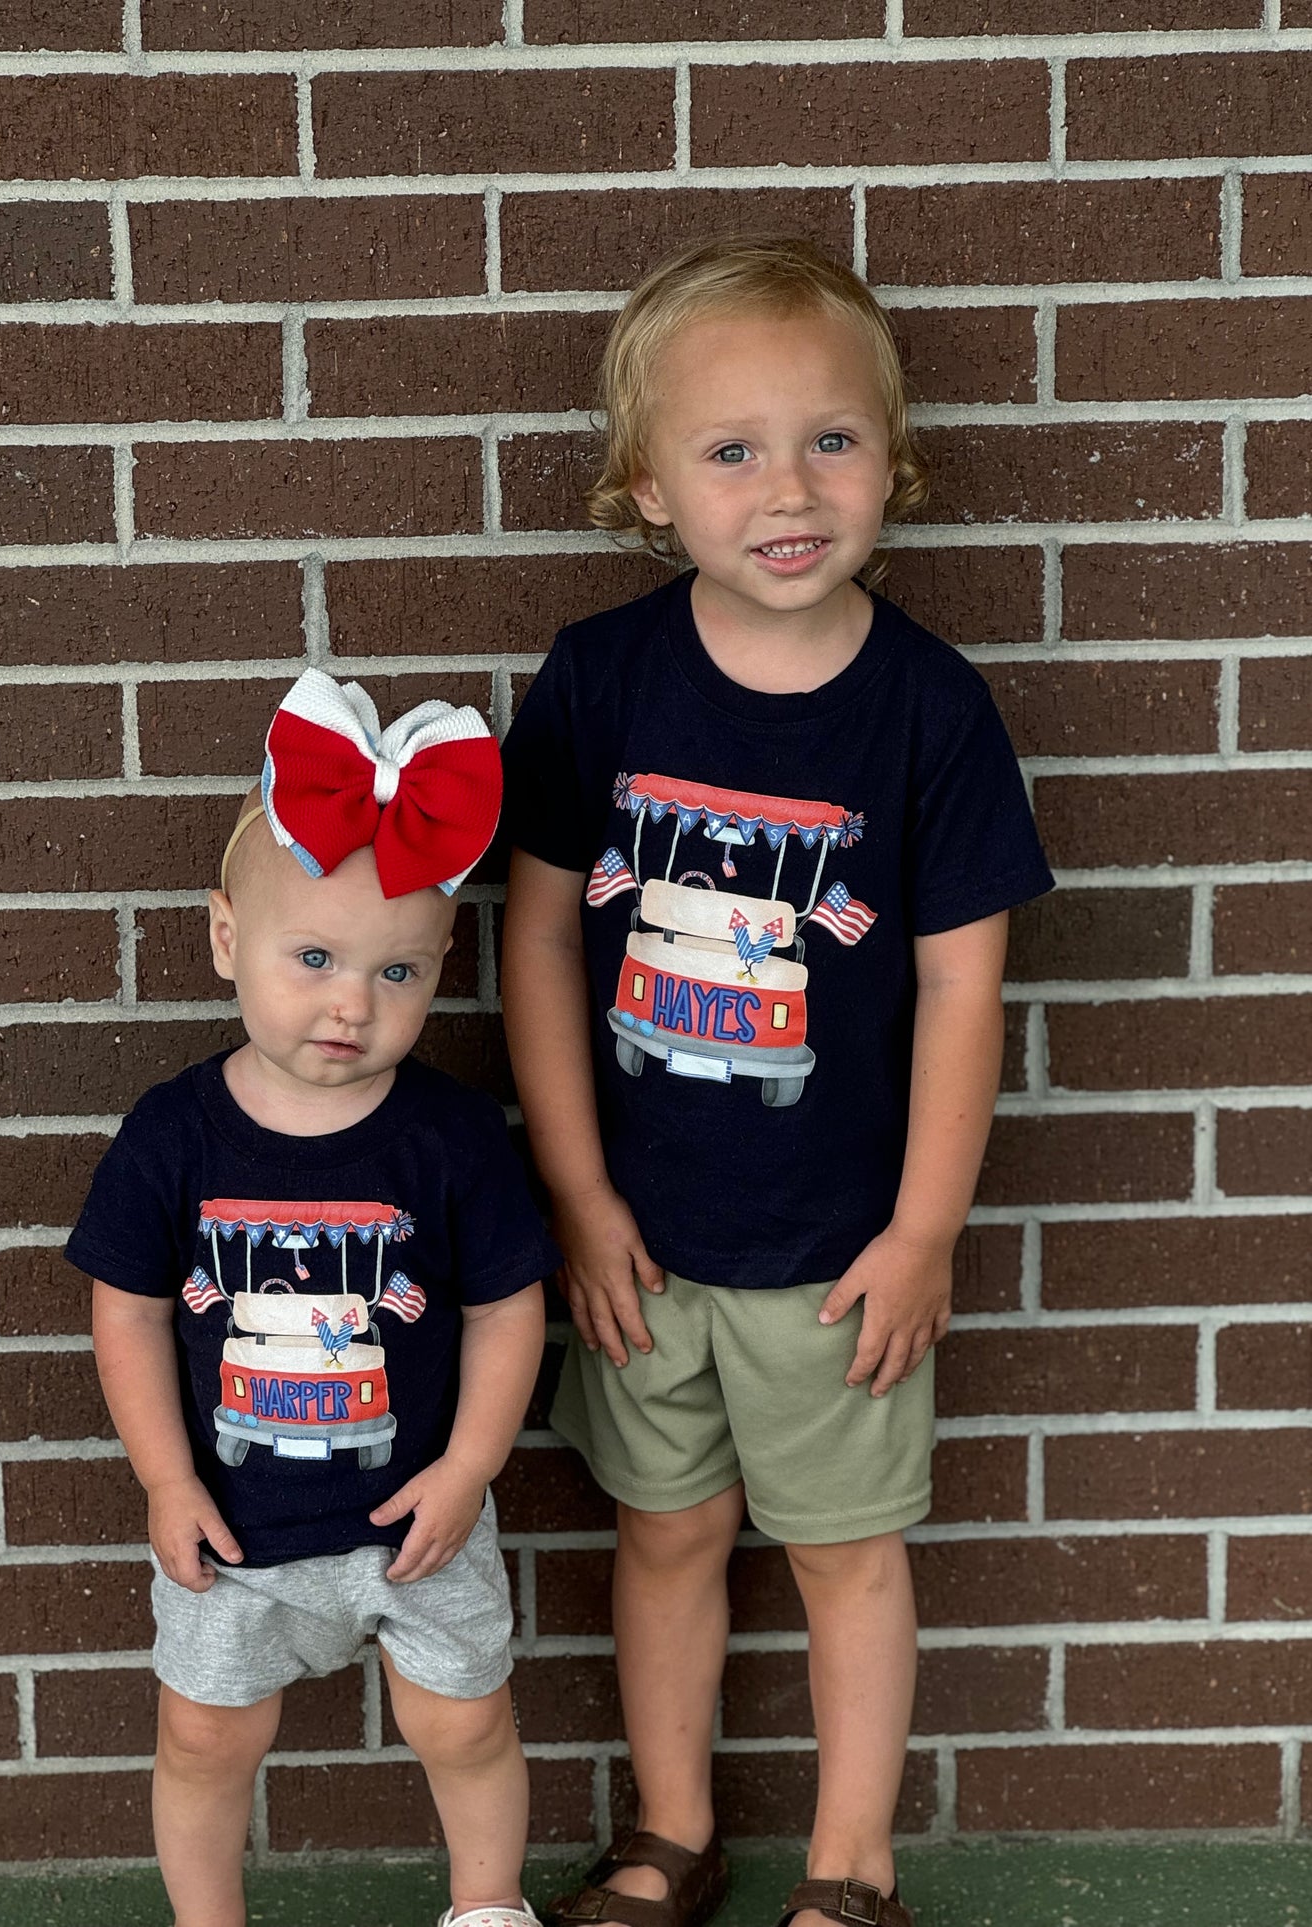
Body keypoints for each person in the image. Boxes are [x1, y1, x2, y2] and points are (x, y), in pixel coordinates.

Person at [499, 235, 1055, 1927]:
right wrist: (581, 1197)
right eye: (731, 449)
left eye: (832, 439)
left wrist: (926, 1228)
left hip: (839, 1255)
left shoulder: (929, 712)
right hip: (645, 1247)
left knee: (843, 1554)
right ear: (650, 489)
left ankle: (850, 1870)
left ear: (893, 460)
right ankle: (670, 1834)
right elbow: (533, 945)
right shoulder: (601, 684)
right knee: (665, 1534)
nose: (788, 485)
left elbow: (966, 977)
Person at [68, 673, 558, 1927]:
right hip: (231, 1529)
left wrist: (470, 1468)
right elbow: (124, 1308)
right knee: (202, 1741)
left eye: (397, 970)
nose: (353, 1003)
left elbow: (508, 1308)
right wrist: (165, 1482)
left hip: (418, 1521)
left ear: (443, 965)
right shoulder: (175, 1134)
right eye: (315, 958)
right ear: (227, 937)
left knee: (463, 1722)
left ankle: (487, 1901)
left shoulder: (450, 1138)